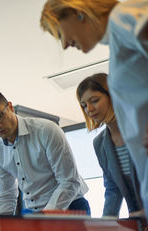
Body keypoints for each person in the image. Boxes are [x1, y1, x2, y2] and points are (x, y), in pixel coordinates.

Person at [40, 0, 148, 218]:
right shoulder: (118, 42)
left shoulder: (124, 18)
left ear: (76, 11)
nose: (63, 45)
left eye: (59, 32)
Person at [0, 91, 89, 215]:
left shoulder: (46, 130)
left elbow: (69, 181)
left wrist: (46, 216)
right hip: (33, 211)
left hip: (70, 205)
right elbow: (6, 195)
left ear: (10, 107)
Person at [77, 73, 143, 217]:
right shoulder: (100, 143)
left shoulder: (142, 127)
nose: (89, 109)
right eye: (84, 105)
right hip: (138, 219)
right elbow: (113, 189)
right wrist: (106, 222)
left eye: (94, 100)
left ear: (113, 96)